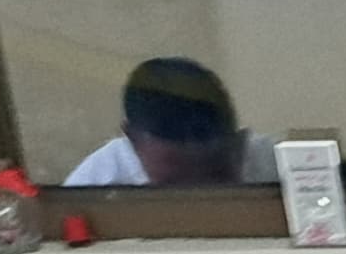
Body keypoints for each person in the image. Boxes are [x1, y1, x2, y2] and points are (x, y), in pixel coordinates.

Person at [61, 55, 279, 187]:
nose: (198, 196)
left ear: (239, 141)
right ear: (133, 141)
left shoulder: (277, 166)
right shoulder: (98, 183)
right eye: (175, 185)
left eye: (215, 177)